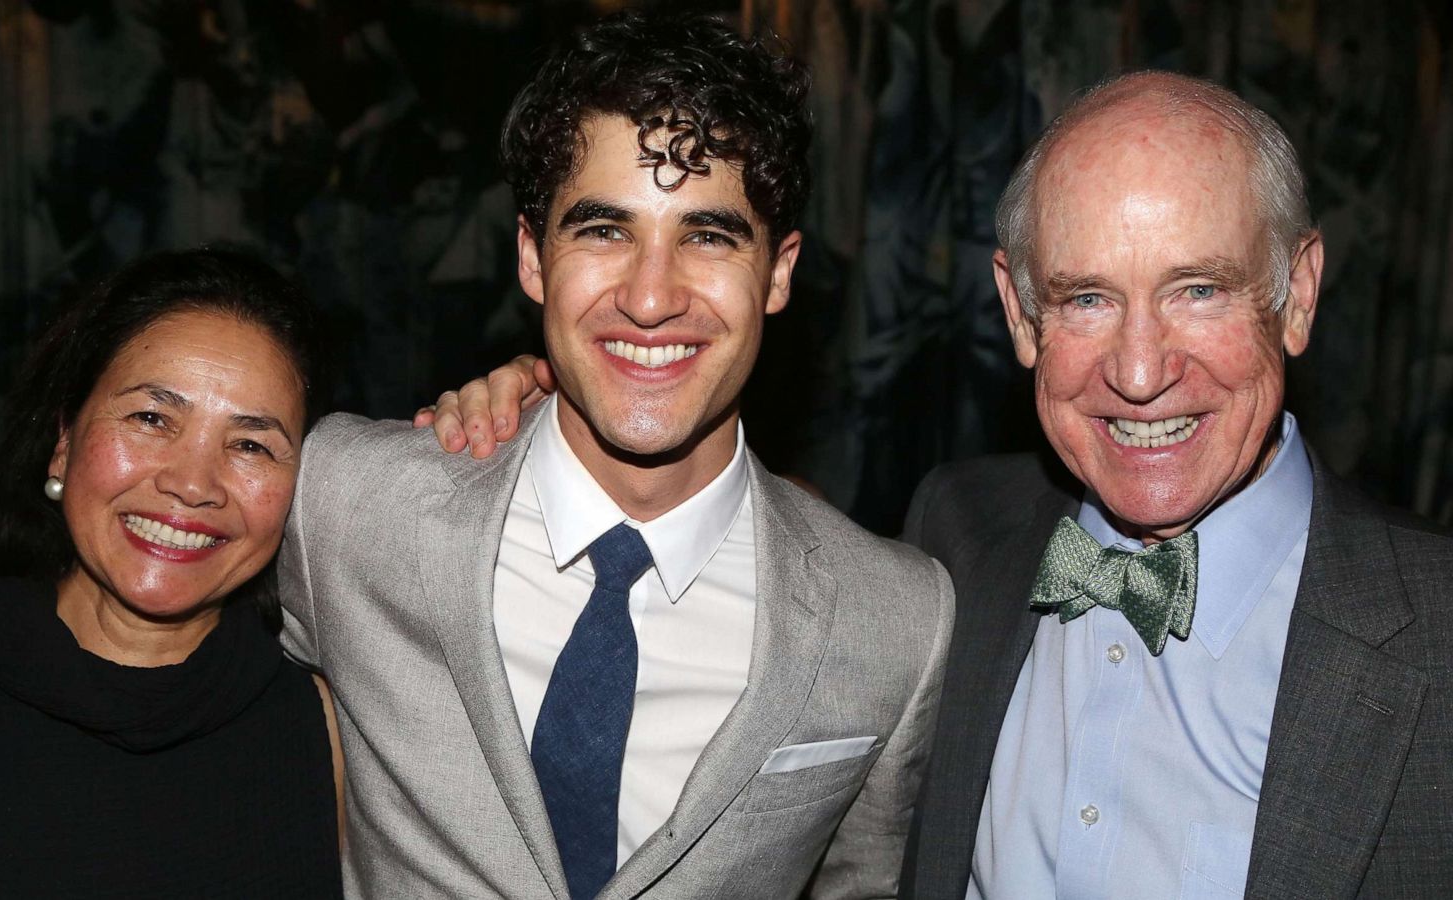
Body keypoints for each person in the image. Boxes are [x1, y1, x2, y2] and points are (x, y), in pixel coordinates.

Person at [0, 13, 954, 899]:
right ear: (532, 258)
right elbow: (161, 555)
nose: (651, 294)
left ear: (779, 271)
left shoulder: (894, 619)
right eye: (601, 229)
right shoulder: (352, 500)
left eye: (708, 235)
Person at [413, 71, 1453, 898]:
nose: (1140, 372)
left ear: (1297, 293)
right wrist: (554, 400)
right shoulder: (958, 535)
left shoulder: (1435, 643)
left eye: (1196, 290)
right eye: (1085, 297)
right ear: (1016, 312)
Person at [0, 249, 344, 898]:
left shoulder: (326, 730)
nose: (193, 485)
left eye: (251, 444)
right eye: (151, 418)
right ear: (64, 439)